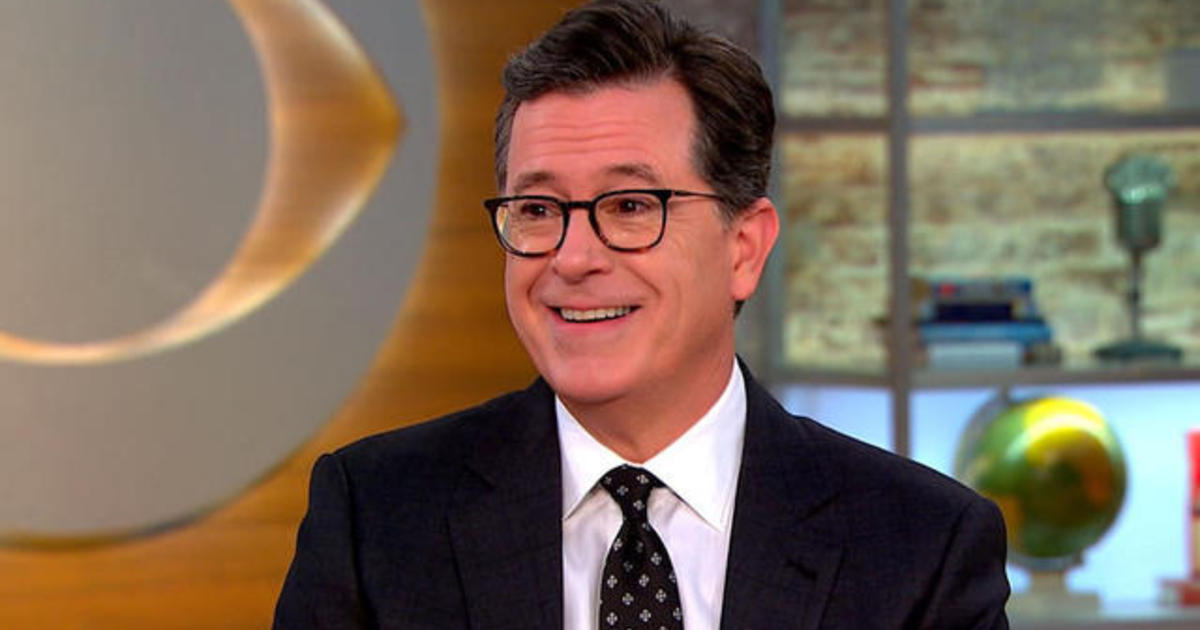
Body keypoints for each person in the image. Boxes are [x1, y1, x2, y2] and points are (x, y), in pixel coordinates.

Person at [273, 1, 1011, 628]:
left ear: (745, 248)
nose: (572, 258)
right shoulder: (375, 518)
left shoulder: (921, 547)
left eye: (629, 206)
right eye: (538, 210)